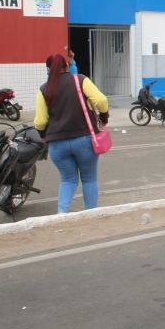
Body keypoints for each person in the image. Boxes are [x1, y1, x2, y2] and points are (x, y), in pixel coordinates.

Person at [34, 54, 109, 214]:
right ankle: (90, 214)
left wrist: (43, 134)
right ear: (66, 66)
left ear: (48, 69)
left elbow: (40, 121)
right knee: (89, 179)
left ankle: (62, 213)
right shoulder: (80, 80)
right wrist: (104, 117)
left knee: (68, 179)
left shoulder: (44, 89)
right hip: (84, 140)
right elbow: (101, 100)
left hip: (57, 144)